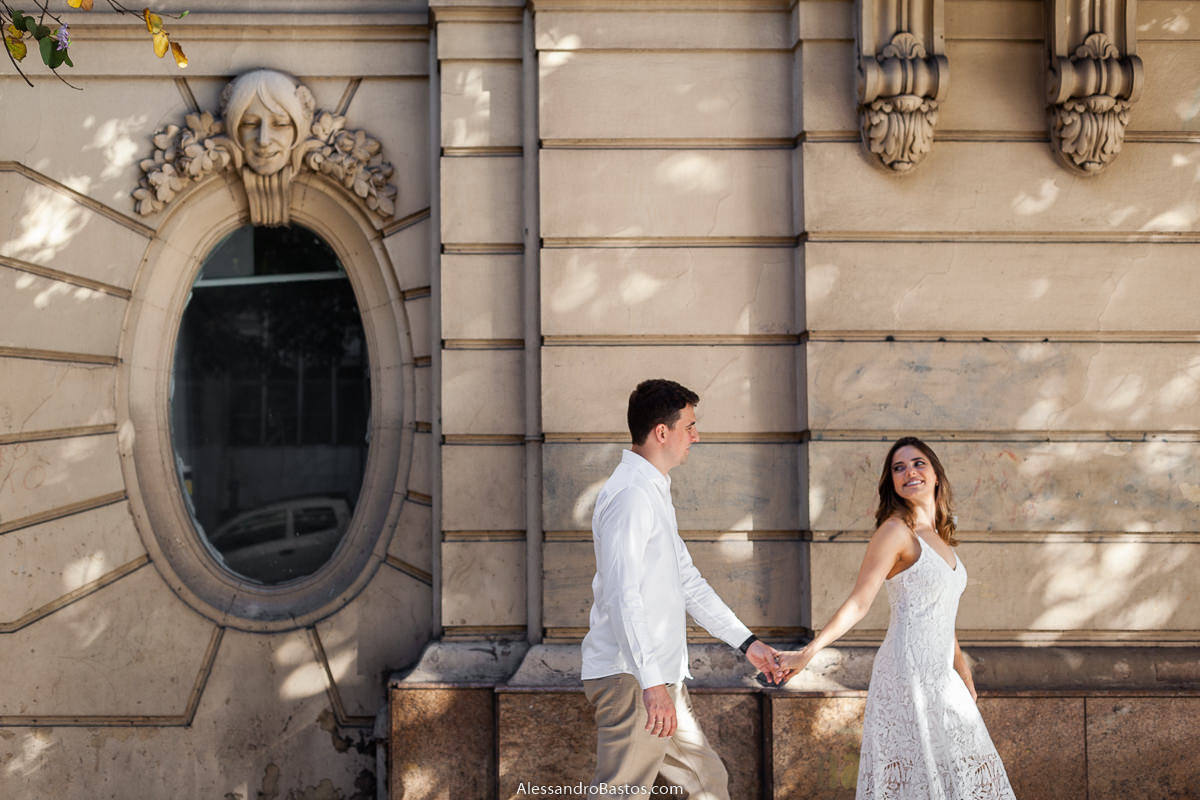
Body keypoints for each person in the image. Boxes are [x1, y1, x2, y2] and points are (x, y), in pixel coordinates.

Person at [776, 436, 1017, 799]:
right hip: (908, 672)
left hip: (941, 675)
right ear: (892, 482)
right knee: (919, 775)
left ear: (936, 475)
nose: (909, 472)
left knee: (964, 770)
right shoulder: (894, 532)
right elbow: (859, 603)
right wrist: (809, 652)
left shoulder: (939, 537)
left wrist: (963, 672)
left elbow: (942, 614)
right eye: (898, 468)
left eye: (918, 463)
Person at [581, 378, 787, 798]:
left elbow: (687, 583)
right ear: (662, 432)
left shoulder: (652, 491)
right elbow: (624, 596)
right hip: (635, 678)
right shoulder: (632, 497)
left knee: (707, 783)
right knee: (620, 793)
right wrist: (651, 685)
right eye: (689, 425)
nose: (696, 435)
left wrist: (748, 643)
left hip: (658, 677)